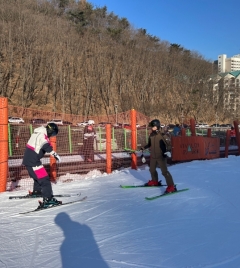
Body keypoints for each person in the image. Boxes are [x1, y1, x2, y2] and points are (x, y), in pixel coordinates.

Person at [22, 123, 62, 209]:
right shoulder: (42, 135)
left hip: (29, 159)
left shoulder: (37, 132)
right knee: (45, 179)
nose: (52, 136)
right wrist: (54, 154)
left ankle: (37, 191)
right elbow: (45, 145)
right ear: (50, 131)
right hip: (33, 161)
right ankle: (48, 199)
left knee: (38, 177)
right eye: (53, 134)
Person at [141, 119, 176, 193]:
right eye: (151, 127)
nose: (152, 128)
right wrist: (143, 148)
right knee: (152, 170)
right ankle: (155, 181)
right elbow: (149, 144)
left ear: (157, 126)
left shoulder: (162, 134)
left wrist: (168, 151)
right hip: (153, 156)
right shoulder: (151, 135)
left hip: (161, 156)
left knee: (164, 172)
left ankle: (171, 186)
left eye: (153, 127)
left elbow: (169, 144)